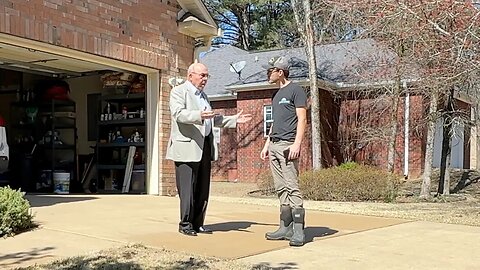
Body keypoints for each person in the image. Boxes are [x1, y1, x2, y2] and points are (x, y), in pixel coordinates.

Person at [166, 62, 252, 236]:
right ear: (190, 76)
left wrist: (234, 119)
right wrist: (199, 115)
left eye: (207, 76)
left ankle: (198, 223)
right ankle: (185, 224)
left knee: (203, 188)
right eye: (202, 75)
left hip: (205, 145)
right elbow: (178, 114)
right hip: (186, 147)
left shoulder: (204, 97)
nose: (205, 79)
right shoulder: (178, 92)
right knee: (187, 189)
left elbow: (212, 119)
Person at [260, 56, 308, 247]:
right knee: (280, 187)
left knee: (292, 186)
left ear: (280, 72)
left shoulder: (296, 90)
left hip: (288, 145)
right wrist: (266, 145)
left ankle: (298, 230)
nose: (267, 74)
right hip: (274, 145)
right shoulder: (275, 95)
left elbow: (302, 119)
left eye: (270, 70)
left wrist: (297, 144)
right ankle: (284, 227)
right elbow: (274, 123)